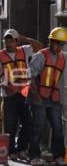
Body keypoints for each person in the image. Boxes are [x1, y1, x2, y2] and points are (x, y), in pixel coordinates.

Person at [0, 29, 43, 161]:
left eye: (11, 40)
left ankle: (21, 148)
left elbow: (40, 46)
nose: (8, 43)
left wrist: (23, 38)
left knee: (28, 122)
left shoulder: (24, 50)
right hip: (9, 95)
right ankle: (11, 152)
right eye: (6, 40)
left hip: (24, 93)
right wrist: (5, 86)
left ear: (17, 41)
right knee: (10, 125)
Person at [29, 27, 67, 166]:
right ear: (50, 42)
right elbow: (31, 77)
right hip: (39, 96)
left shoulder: (63, 58)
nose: (59, 47)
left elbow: (60, 80)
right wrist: (36, 95)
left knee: (58, 127)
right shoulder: (41, 56)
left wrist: (62, 100)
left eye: (61, 44)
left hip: (54, 98)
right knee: (37, 127)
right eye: (57, 43)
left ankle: (58, 156)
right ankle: (34, 155)